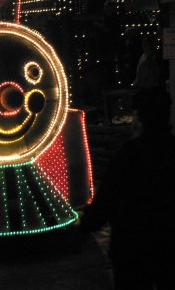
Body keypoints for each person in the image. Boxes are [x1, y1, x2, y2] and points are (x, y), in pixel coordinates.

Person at [75, 86, 175, 290]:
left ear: (139, 116)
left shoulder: (130, 154)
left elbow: (107, 198)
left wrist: (84, 227)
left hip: (132, 249)